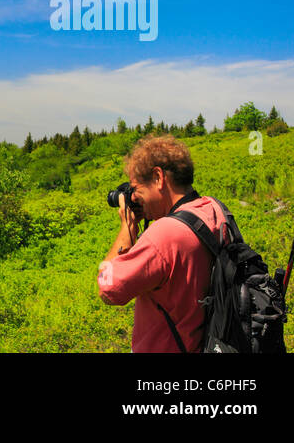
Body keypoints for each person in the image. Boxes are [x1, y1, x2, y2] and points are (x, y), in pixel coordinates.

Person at [97, 135, 228, 353]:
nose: (135, 198)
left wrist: (127, 229)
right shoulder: (215, 209)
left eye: (136, 189)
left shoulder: (164, 235)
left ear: (158, 177)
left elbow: (108, 289)